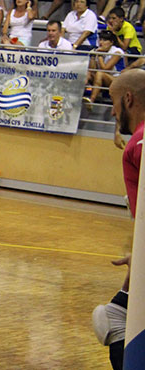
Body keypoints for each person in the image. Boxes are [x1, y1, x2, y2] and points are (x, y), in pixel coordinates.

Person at [91, 68, 143, 370]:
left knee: (114, 322)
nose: (112, 112)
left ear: (128, 99)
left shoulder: (139, 144)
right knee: (112, 316)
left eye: (113, 102)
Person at [84, 30, 125, 104]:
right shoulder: (99, 50)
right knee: (88, 73)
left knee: (100, 74)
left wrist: (99, 55)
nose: (101, 42)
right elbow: (92, 69)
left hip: (116, 79)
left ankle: (91, 101)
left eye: (105, 40)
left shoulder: (117, 52)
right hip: (102, 79)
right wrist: (93, 56)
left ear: (111, 42)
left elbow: (106, 69)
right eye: (100, 39)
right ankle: (78, 96)